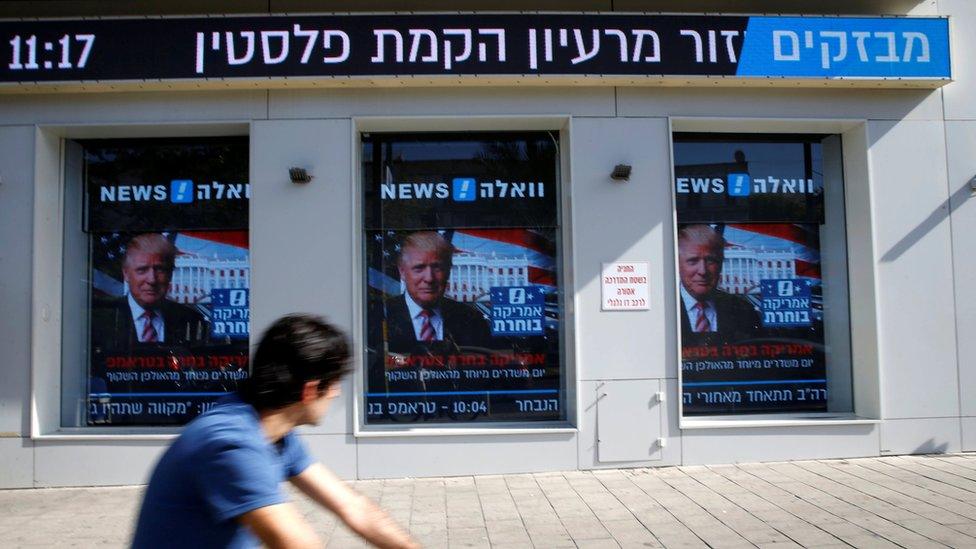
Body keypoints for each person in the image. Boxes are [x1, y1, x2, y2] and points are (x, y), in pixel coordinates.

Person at [132, 314, 419, 549]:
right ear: (309, 390)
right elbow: (296, 543)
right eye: (333, 383)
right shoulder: (230, 443)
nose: (336, 393)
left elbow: (355, 508)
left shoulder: (273, 430)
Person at [91, 233, 206, 351]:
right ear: (126, 274)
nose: (152, 279)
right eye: (142, 270)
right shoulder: (98, 320)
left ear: (170, 274)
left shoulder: (191, 320)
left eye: (160, 269)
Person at [383, 231, 492, 353]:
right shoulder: (382, 315)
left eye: (437, 268)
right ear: (402, 272)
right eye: (419, 268)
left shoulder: (471, 320)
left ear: (448, 271)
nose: (429, 278)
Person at [677, 224, 759, 342]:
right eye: (693, 261)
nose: (703, 271)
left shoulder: (745, 312)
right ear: (678, 265)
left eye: (711, 260)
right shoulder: (663, 311)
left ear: (720, 264)